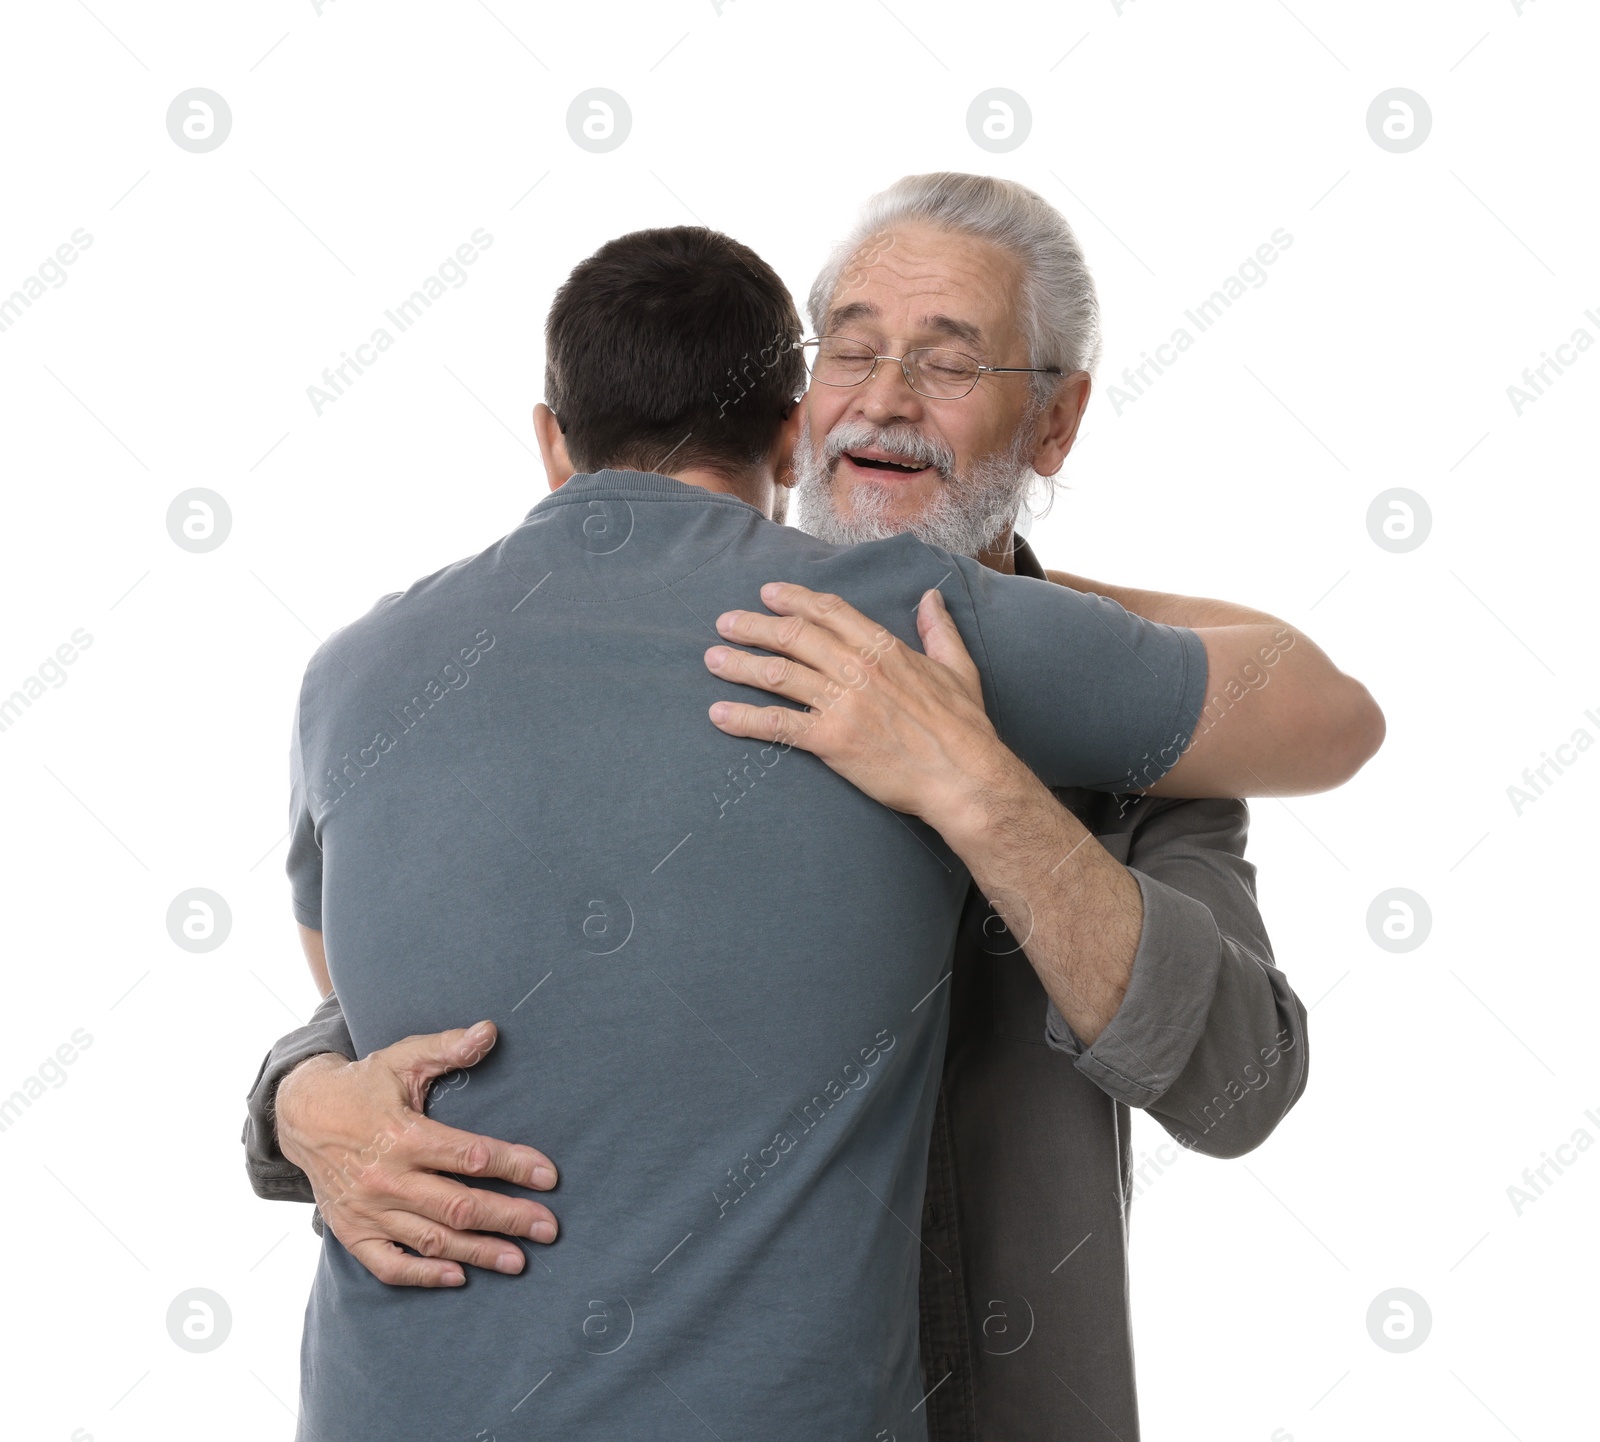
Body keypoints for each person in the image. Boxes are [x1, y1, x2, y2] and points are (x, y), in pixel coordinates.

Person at [247, 186, 1382, 1440]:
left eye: (948, 361)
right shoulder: (639, 656)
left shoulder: (1147, 748)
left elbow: (1238, 1089)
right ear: (795, 410)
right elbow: (442, 993)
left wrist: (978, 783)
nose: (885, 397)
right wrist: (302, 1097)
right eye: (849, 350)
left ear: (1054, 422)